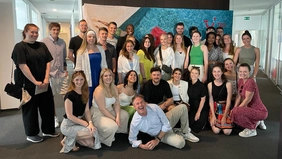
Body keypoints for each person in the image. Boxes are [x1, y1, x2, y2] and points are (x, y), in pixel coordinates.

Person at [11, 23, 59, 143]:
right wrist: (35, 81)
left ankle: (48, 130)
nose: (34, 35)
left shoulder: (41, 45)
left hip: (44, 82)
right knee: (30, 109)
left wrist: (46, 79)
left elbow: (48, 62)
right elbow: (22, 66)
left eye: (36, 32)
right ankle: (31, 134)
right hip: (28, 84)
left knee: (47, 106)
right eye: (32, 32)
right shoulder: (19, 47)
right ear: (25, 32)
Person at [141, 67, 199, 142]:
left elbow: (171, 99)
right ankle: (169, 127)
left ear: (161, 75)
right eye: (154, 75)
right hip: (150, 106)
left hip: (161, 104)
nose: (156, 77)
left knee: (178, 108)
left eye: (158, 75)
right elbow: (144, 102)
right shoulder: (147, 85)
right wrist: (155, 109)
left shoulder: (164, 83)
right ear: (151, 76)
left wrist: (163, 105)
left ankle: (184, 131)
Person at [129, 94, 195, 150]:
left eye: (142, 102)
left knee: (183, 107)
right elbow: (132, 139)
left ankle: (185, 132)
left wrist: (157, 140)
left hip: (167, 119)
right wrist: (143, 146)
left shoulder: (154, 107)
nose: (140, 105)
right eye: (137, 104)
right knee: (181, 143)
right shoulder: (135, 122)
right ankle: (176, 131)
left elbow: (166, 123)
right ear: (134, 107)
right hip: (161, 134)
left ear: (145, 103)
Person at [60, 71, 101, 153]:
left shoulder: (85, 93)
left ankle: (68, 138)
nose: (79, 82)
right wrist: (86, 124)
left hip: (78, 122)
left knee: (90, 143)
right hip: (68, 125)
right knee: (92, 132)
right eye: (77, 80)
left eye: (82, 79)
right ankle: (67, 139)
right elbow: (70, 116)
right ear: (73, 81)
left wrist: (90, 123)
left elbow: (86, 110)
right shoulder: (69, 95)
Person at [90, 68, 129, 146]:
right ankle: (101, 137)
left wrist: (117, 117)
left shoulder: (114, 87)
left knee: (124, 115)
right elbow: (102, 109)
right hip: (98, 113)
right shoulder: (99, 90)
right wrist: (114, 119)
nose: (108, 77)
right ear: (102, 78)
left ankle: (117, 133)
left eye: (110, 75)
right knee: (112, 126)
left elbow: (117, 103)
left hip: (110, 110)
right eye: (106, 76)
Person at [41, 22, 68, 128]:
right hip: (50, 74)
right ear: (50, 30)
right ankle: (54, 117)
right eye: (54, 30)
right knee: (50, 98)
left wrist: (65, 70)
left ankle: (68, 116)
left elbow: (64, 57)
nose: (56, 32)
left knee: (66, 96)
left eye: (57, 29)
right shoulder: (43, 42)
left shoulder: (62, 42)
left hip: (61, 73)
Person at [231, 63, 268, 137]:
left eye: (245, 71)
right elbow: (239, 95)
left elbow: (247, 99)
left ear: (249, 72)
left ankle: (252, 129)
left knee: (236, 113)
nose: (242, 73)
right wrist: (234, 107)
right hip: (250, 109)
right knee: (235, 112)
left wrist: (236, 110)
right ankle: (257, 121)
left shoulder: (251, 82)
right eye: (240, 71)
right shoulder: (241, 80)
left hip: (260, 111)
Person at [75, 29, 108, 106]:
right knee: (88, 98)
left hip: (99, 76)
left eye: (93, 37)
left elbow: (104, 65)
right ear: (86, 38)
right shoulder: (81, 51)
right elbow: (78, 68)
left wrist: (105, 76)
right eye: (89, 37)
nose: (91, 39)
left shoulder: (100, 49)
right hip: (88, 78)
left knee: (100, 97)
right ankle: (88, 115)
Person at [208, 64, 233, 135]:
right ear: (212, 73)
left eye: (218, 71)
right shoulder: (210, 85)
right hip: (215, 107)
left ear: (222, 72)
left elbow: (228, 101)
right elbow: (211, 100)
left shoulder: (228, 84)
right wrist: (213, 115)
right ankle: (213, 120)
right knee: (216, 131)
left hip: (225, 108)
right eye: (214, 72)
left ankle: (224, 122)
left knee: (227, 132)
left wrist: (225, 116)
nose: (216, 73)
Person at [188, 67, 209, 133]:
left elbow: (203, 100)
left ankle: (204, 122)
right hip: (192, 108)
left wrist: (198, 113)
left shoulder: (202, 86)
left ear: (199, 75)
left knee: (197, 128)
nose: (194, 75)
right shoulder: (187, 84)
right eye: (192, 73)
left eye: (196, 73)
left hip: (201, 108)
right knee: (191, 125)